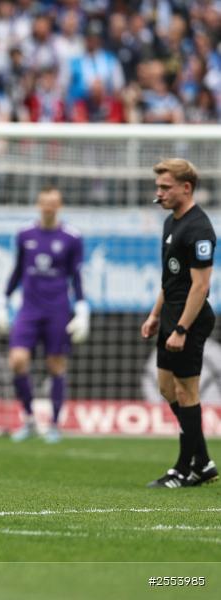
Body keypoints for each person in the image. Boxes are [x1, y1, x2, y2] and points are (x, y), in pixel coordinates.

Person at [141, 159, 218, 488]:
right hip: (171, 313)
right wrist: (156, 314)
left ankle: (187, 466)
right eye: (158, 187)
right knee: (166, 388)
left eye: (165, 188)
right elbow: (170, 278)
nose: (159, 193)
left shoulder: (199, 229)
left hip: (191, 318)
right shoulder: (171, 223)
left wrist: (182, 329)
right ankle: (201, 461)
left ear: (186, 188)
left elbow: (200, 286)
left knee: (187, 392)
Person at [0, 187, 88, 443]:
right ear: (39, 204)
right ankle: (28, 419)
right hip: (29, 309)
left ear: (60, 205)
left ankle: (55, 424)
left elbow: (76, 275)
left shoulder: (72, 237)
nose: (49, 207)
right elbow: (17, 270)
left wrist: (81, 309)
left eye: (53, 203)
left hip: (57, 308)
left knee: (56, 364)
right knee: (17, 360)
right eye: (45, 203)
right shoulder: (25, 234)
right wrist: (3, 302)